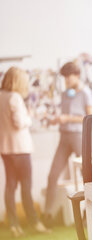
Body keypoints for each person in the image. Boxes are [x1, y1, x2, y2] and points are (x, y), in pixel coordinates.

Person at [0, 67, 50, 237]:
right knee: (26, 188)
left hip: (5, 149)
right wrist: (29, 117)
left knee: (10, 187)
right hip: (20, 149)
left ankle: (14, 226)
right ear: (17, 81)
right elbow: (20, 123)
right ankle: (34, 223)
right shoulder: (14, 97)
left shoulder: (1, 96)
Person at [43, 62, 92, 226]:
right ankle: (47, 215)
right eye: (64, 77)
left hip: (79, 136)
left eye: (68, 77)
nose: (65, 80)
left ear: (77, 75)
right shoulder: (65, 94)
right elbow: (64, 115)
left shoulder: (86, 93)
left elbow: (90, 118)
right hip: (64, 137)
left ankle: (90, 213)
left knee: (87, 176)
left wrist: (68, 118)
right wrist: (56, 120)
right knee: (52, 176)